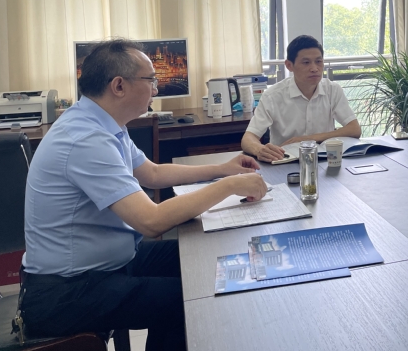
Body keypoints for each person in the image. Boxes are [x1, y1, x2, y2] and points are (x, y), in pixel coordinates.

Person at [21, 39, 267, 351]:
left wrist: (222, 170)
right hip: (67, 292)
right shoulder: (84, 138)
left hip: (108, 265)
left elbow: (152, 173)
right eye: (151, 80)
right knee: (194, 299)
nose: (156, 89)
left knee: (203, 260)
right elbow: (151, 221)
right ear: (119, 86)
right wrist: (229, 187)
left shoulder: (104, 123)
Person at [242, 35, 362, 162]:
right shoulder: (272, 96)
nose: (314, 69)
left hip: (324, 160)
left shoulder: (333, 90)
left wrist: (308, 139)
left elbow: (354, 129)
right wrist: (260, 150)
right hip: (285, 161)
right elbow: (248, 138)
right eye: (306, 63)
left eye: (318, 61)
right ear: (289, 65)